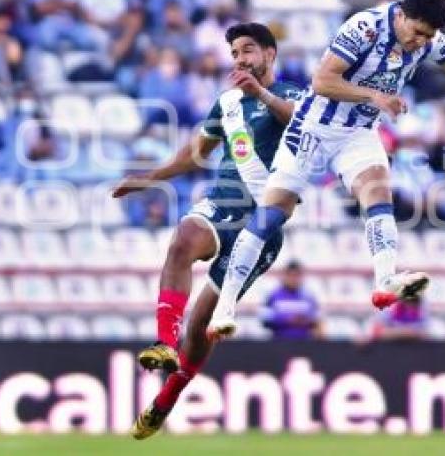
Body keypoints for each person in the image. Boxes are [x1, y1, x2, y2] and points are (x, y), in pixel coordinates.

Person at [206, 0, 445, 339]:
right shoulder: (364, 27)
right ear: (401, 15)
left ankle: (385, 282)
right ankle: (225, 308)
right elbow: (322, 81)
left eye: (427, 37)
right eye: (416, 33)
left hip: (357, 132)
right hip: (313, 126)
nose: (419, 43)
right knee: (273, 214)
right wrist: (374, 95)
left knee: (379, 193)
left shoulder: (429, 40)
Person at [111, 23, 304, 439]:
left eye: (248, 50)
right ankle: (163, 341)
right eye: (234, 53)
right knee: (182, 239)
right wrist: (150, 177)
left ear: (270, 54)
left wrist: (262, 95)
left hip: (263, 224)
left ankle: (169, 395)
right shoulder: (228, 104)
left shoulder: (293, 96)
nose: (240, 59)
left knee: (201, 327)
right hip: (224, 205)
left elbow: (299, 124)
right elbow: (194, 155)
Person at [260, 260, 321, 339]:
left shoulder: (308, 296)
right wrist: (286, 320)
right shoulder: (274, 295)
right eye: (291, 275)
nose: (293, 279)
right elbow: (265, 319)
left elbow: (317, 318)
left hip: (304, 343)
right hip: (279, 343)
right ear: (285, 276)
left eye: (296, 275)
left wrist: (304, 321)